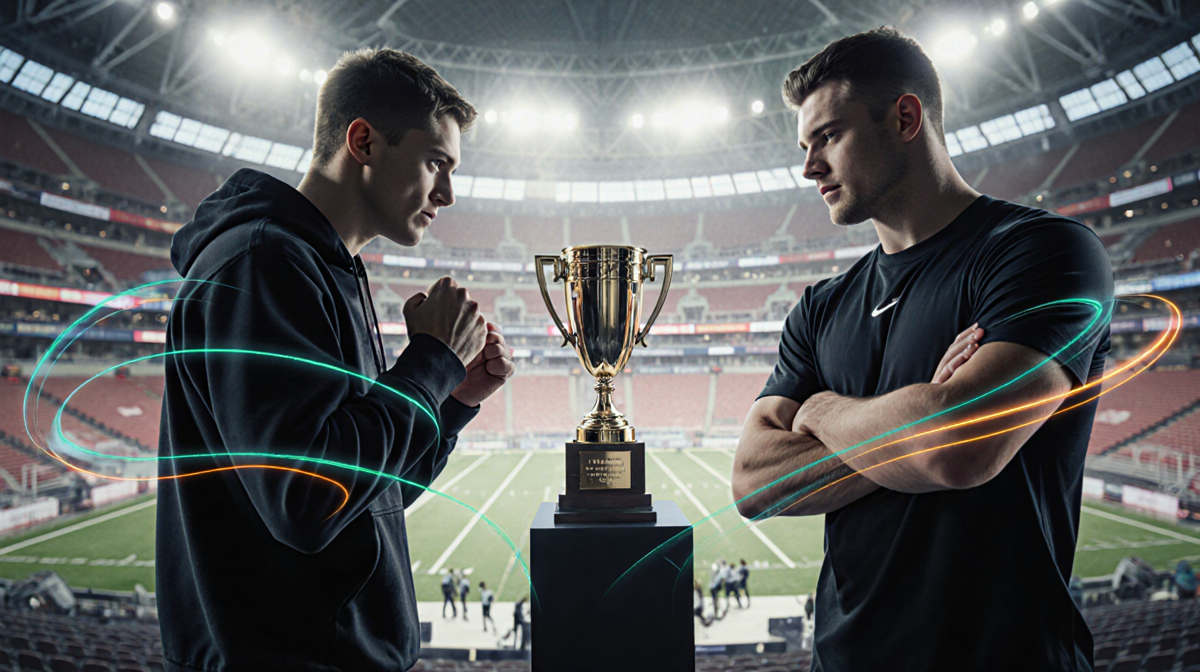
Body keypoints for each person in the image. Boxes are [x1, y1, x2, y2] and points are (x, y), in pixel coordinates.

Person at [731, 27, 1112, 672]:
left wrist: (821, 412)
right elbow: (754, 482)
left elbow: (959, 447)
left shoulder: (1042, 252)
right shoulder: (822, 305)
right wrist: (913, 421)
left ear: (905, 117)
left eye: (828, 136)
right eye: (804, 145)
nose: (808, 167)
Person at [156, 47, 515, 672]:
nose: (449, 193)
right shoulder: (264, 263)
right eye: (436, 163)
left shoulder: (321, 268)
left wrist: (449, 402)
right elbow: (307, 499)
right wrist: (428, 363)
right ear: (364, 142)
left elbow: (364, 495)